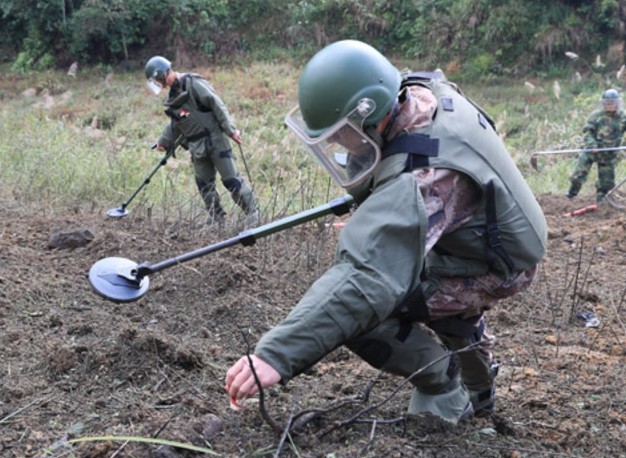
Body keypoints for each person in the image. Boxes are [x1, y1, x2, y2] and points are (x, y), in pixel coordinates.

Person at [225, 40, 547, 423]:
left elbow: (365, 279)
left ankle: (446, 385)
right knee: (425, 297)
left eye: (341, 133)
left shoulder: (423, 176)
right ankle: (479, 389)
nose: (337, 143)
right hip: (483, 239)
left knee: (367, 314)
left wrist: (275, 354)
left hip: (491, 264)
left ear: (369, 113)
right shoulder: (420, 93)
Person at [145, 56, 259, 225]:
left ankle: (253, 214)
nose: (161, 84)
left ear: (166, 73)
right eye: (158, 82)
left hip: (216, 140)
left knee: (231, 180)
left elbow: (217, 105)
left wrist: (231, 130)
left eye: (160, 80)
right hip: (197, 146)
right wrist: (164, 141)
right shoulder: (173, 98)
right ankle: (217, 218)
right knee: (204, 185)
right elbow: (178, 120)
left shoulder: (193, 83)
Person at [565, 89, 626, 202]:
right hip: (591, 152)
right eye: (607, 103)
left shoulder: (623, 117)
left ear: (617, 103)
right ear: (603, 103)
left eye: (612, 103)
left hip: (608, 154)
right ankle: (571, 195)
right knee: (578, 176)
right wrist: (592, 144)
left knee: (606, 183)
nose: (610, 105)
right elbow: (587, 132)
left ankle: (601, 202)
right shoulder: (595, 116)